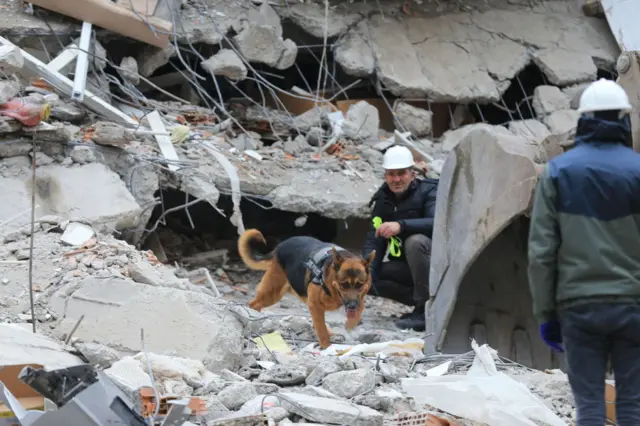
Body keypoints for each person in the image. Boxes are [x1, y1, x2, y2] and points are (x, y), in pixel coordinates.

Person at [528, 78, 640, 425]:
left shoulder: (558, 172)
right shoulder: (638, 171)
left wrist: (546, 313)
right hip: (633, 306)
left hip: (579, 308)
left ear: (583, 120)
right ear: (625, 119)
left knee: (590, 407)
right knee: (633, 407)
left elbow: (541, 252)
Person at [362, 145, 438, 331]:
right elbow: (375, 238)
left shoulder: (429, 191)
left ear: (412, 174)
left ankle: (423, 311)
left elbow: (436, 223)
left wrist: (401, 226)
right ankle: (425, 303)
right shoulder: (383, 200)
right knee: (366, 277)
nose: (396, 179)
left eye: (401, 173)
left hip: (436, 267)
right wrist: (366, 269)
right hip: (407, 268)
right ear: (385, 175)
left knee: (415, 242)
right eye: (391, 174)